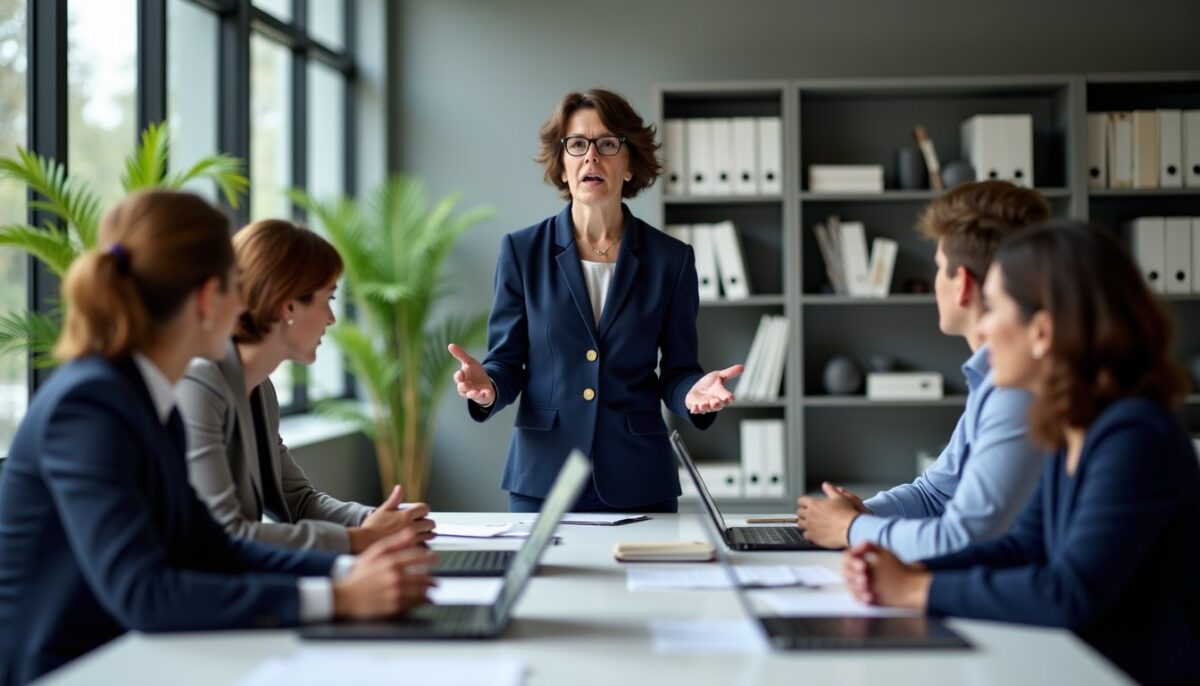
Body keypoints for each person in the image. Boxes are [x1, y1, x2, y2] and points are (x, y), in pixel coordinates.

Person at [0, 191, 436, 685]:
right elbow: (145, 592)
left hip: (132, 655)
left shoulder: (145, 398)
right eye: (237, 287)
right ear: (208, 298)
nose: (245, 306)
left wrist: (346, 575)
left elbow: (212, 546)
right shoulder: (91, 406)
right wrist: (336, 597)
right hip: (74, 669)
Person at [843, 221, 1200, 685]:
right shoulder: (1072, 425)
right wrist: (901, 564)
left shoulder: (1135, 436)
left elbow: (1069, 592)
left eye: (993, 308)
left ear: (1043, 332)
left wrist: (916, 588)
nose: (983, 327)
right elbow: (1021, 547)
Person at [448, 88, 743, 513]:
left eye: (607, 144)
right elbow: (507, 362)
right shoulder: (521, 251)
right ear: (562, 164)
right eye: (577, 144)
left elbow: (678, 370)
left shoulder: (671, 260)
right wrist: (488, 386)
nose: (591, 157)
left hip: (639, 475)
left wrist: (693, 392)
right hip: (543, 477)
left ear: (629, 164)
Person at [797, 181, 1049, 559]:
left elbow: (962, 537)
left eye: (938, 269)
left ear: (962, 283)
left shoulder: (1018, 393)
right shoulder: (991, 382)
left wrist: (849, 528)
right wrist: (861, 515)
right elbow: (934, 494)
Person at [178, 219, 435, 553]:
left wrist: (378, 519)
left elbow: (298, 503)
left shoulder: (260, 388)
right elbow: (226, 533)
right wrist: (360, 538)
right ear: (288, 306)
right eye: (327, 298)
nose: (332, 318)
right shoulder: (200, 383)